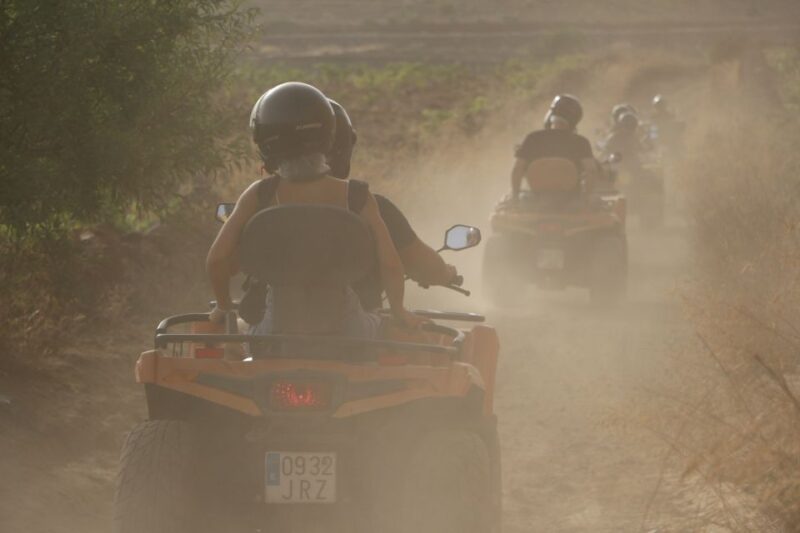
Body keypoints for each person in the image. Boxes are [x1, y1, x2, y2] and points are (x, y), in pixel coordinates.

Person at [206, 82, 425, 337]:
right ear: (329, 135)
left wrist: (223, 307)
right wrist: (399, 310)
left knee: (239, 338)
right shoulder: (357, 196)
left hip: (277, 330)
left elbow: (217, 260)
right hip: (348, 331)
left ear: (264, 143)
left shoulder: (259, 195)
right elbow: (390, 264)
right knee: (390, 331)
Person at [327, 99, 458, 310]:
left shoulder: (264, 200)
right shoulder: (367, 204)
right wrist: (445, 273)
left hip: (273, 333)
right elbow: (420, 265)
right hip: (356, 331)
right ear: (343, 148)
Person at [510, 94, 602, 199]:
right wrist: (586, 198)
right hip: (571, 203)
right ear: (575, 119)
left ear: (551, 114)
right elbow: (591, 171)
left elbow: (517, 169)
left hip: (536, 201)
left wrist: (515, 197)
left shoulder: (532, 138)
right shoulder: (581, 142)